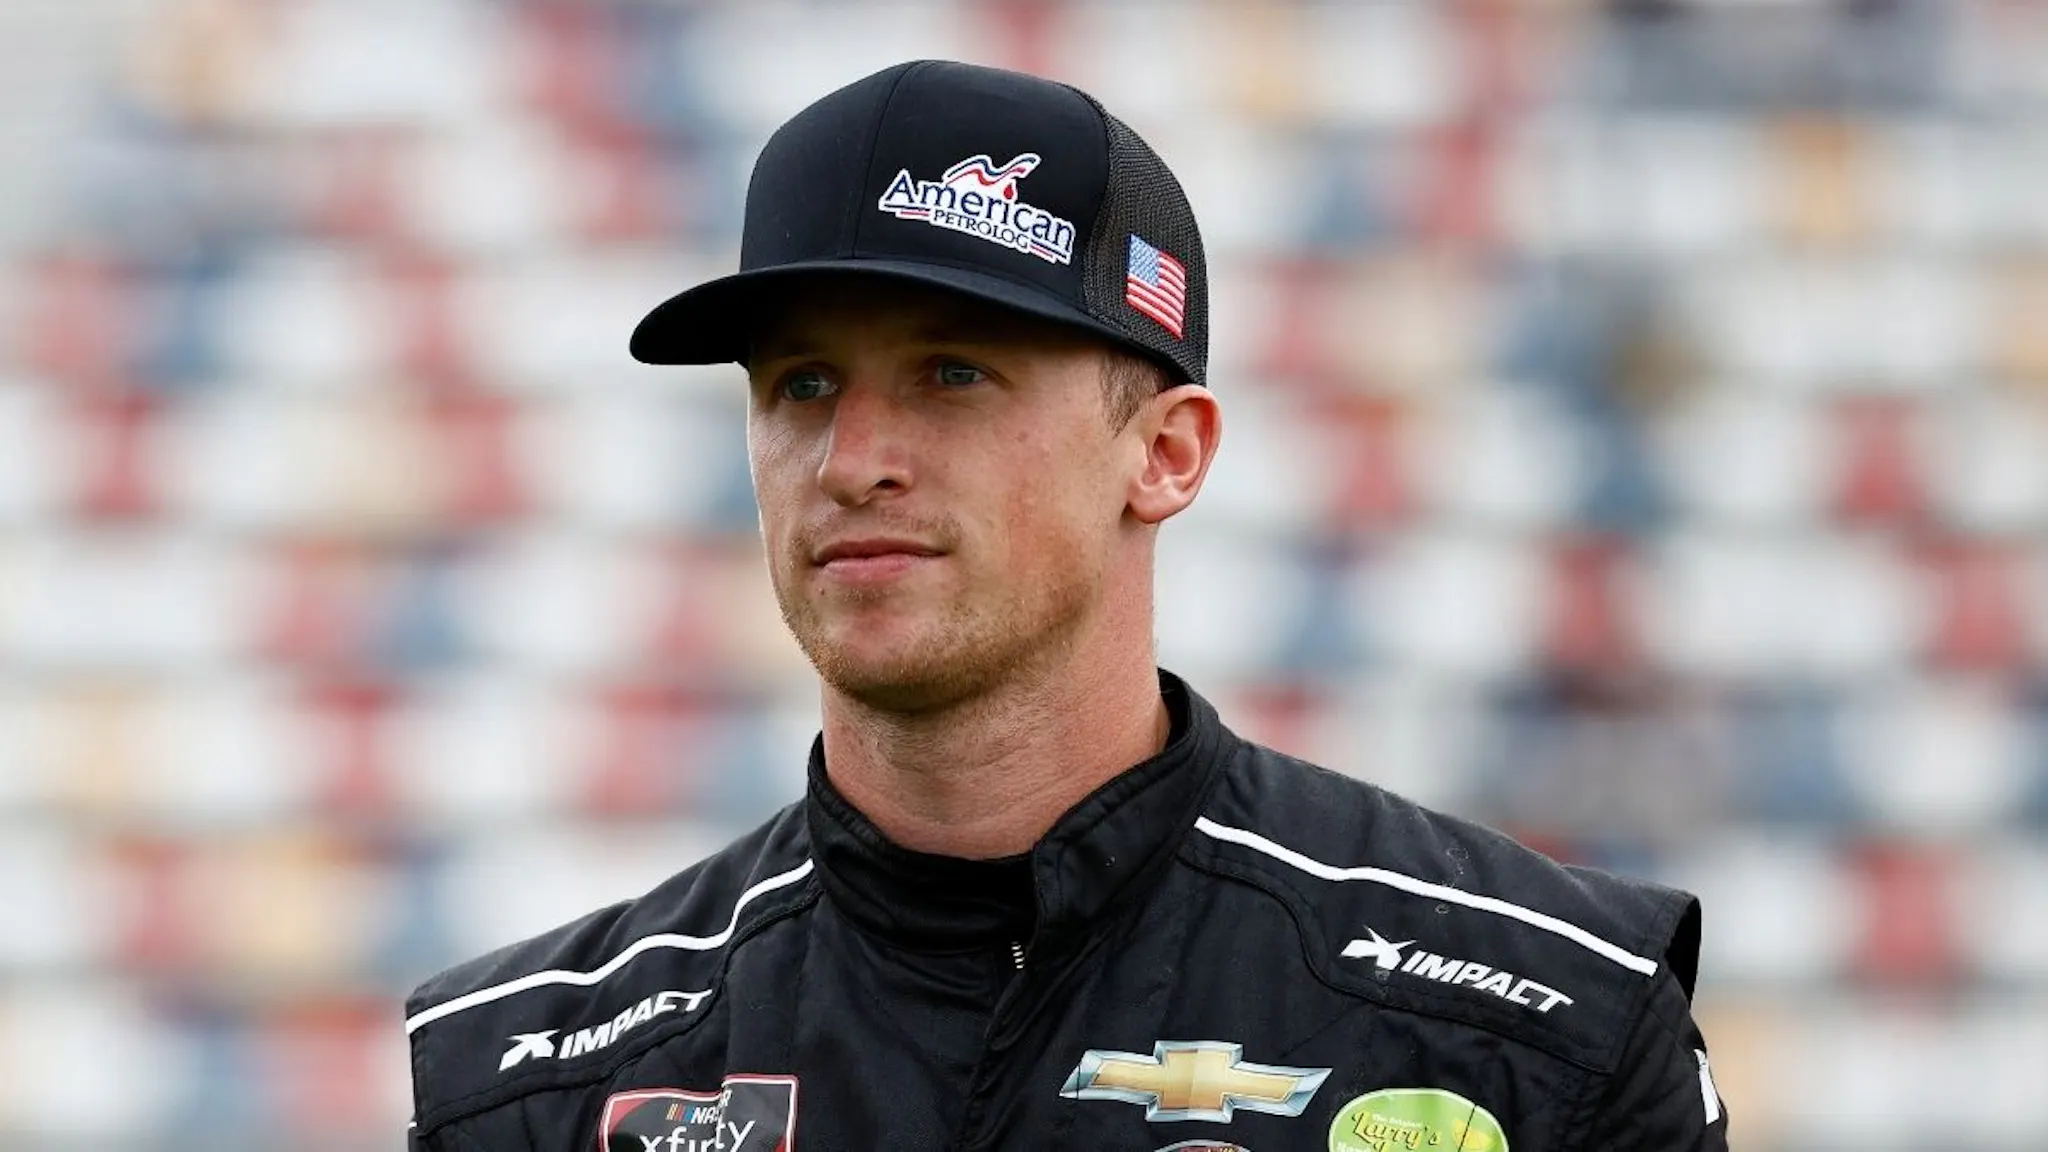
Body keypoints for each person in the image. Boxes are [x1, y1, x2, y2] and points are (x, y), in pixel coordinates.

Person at [403, 60, 1729, 1151]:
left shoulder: (1545, 1023)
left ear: (1166, 453)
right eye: (801, 383)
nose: (853, 456)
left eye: (955, 373)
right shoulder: (530, 1081)